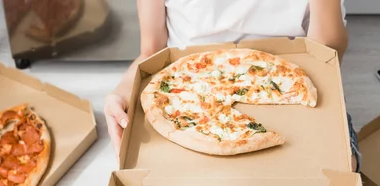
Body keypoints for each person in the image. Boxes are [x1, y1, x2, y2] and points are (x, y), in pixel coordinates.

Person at [104, 0, 360, 172]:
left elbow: (327, 49)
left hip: (288, 75)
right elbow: (151, 51)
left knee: (343, 168)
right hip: (188, 87)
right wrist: (121, 92)